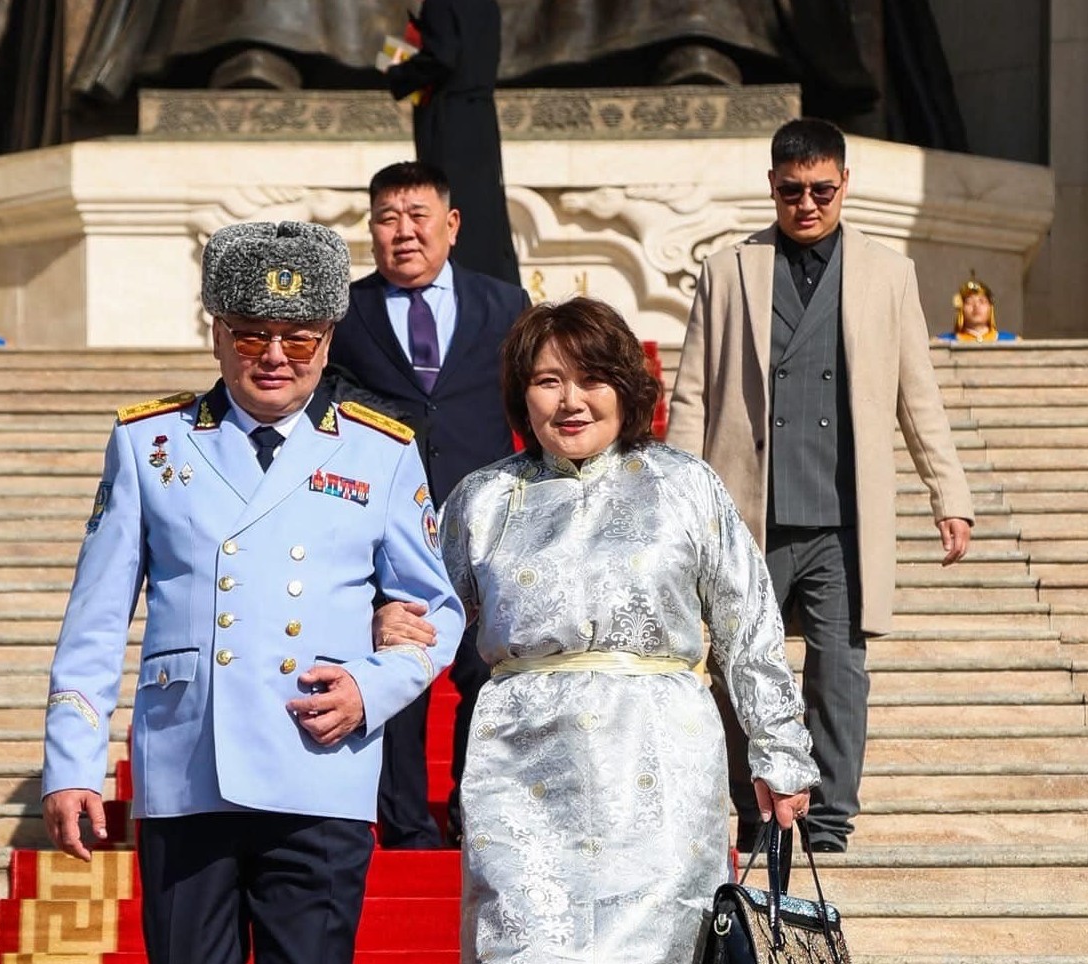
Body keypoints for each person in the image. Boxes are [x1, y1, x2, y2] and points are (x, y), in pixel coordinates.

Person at [40, 220, 465, 964]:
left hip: (319, 762)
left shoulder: (381, 451)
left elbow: (438, 613)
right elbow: (96, 620)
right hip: (188, 769)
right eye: (250, 335)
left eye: (298, 339)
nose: (274, 357)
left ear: (327, 342)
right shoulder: (151, 442)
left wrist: (369, 689)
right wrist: (73, 761)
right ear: (216, 335)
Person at [428, 297, 817, 962]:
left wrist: (779, 751)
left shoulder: (684, 485)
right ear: (522, 394)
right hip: (519, 767)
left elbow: (748, 622)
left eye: (592, 379)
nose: (571, 402)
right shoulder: (481, 499)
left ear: (626, 387)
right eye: (548, 381)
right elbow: (423, 619)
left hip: (658, 760)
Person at [667, 117, 974, 854]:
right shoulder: (728, 269)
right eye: (792, 191)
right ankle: (754, 812)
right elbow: (692, 396)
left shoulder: (888, 272)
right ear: (772, 186)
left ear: (845, 185)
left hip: (843, 517)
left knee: (839, 672)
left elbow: (917, 396)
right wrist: (674, 502)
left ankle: (829, 819)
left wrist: (950, 496)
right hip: (750, 515)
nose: (807, 204)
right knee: (739, 670)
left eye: (822, 191)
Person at [328, 160, 529, 849]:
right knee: (400, 664)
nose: (404, 232)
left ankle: (471, 809)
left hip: (486, 520)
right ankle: (406, 825)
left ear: (452, 224)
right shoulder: (345, 312)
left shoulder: (504, 304)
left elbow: (530, 400)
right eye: (388, 219)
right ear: (371, 229)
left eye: (418, 217)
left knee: (485, 671)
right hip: (386, 520)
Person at [383, 0, 520, 287]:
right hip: (480, 118)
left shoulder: (440, 3)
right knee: (485, 210)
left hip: (450, 119)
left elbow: (442, 56)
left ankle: (457, 286)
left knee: (451, 203)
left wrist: (397, 72)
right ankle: (494, 286)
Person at [938, 274, 1019, 343]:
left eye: (982, 301)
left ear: (990, 307)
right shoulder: (943, 341)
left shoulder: (1011, 341)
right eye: (969, 302)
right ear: (961, 308)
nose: (976, 306)